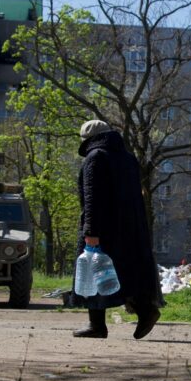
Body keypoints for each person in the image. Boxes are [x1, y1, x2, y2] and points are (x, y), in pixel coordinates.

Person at [72, 119, 164, 340]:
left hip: (103, 229)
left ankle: (97, 325)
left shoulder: (96, 158)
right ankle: (146, 310)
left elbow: (92, 198)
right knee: (127, 274)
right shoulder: (128, 158)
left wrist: (91, 231)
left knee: (94, 274)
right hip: (131, 229)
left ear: (88, 140)